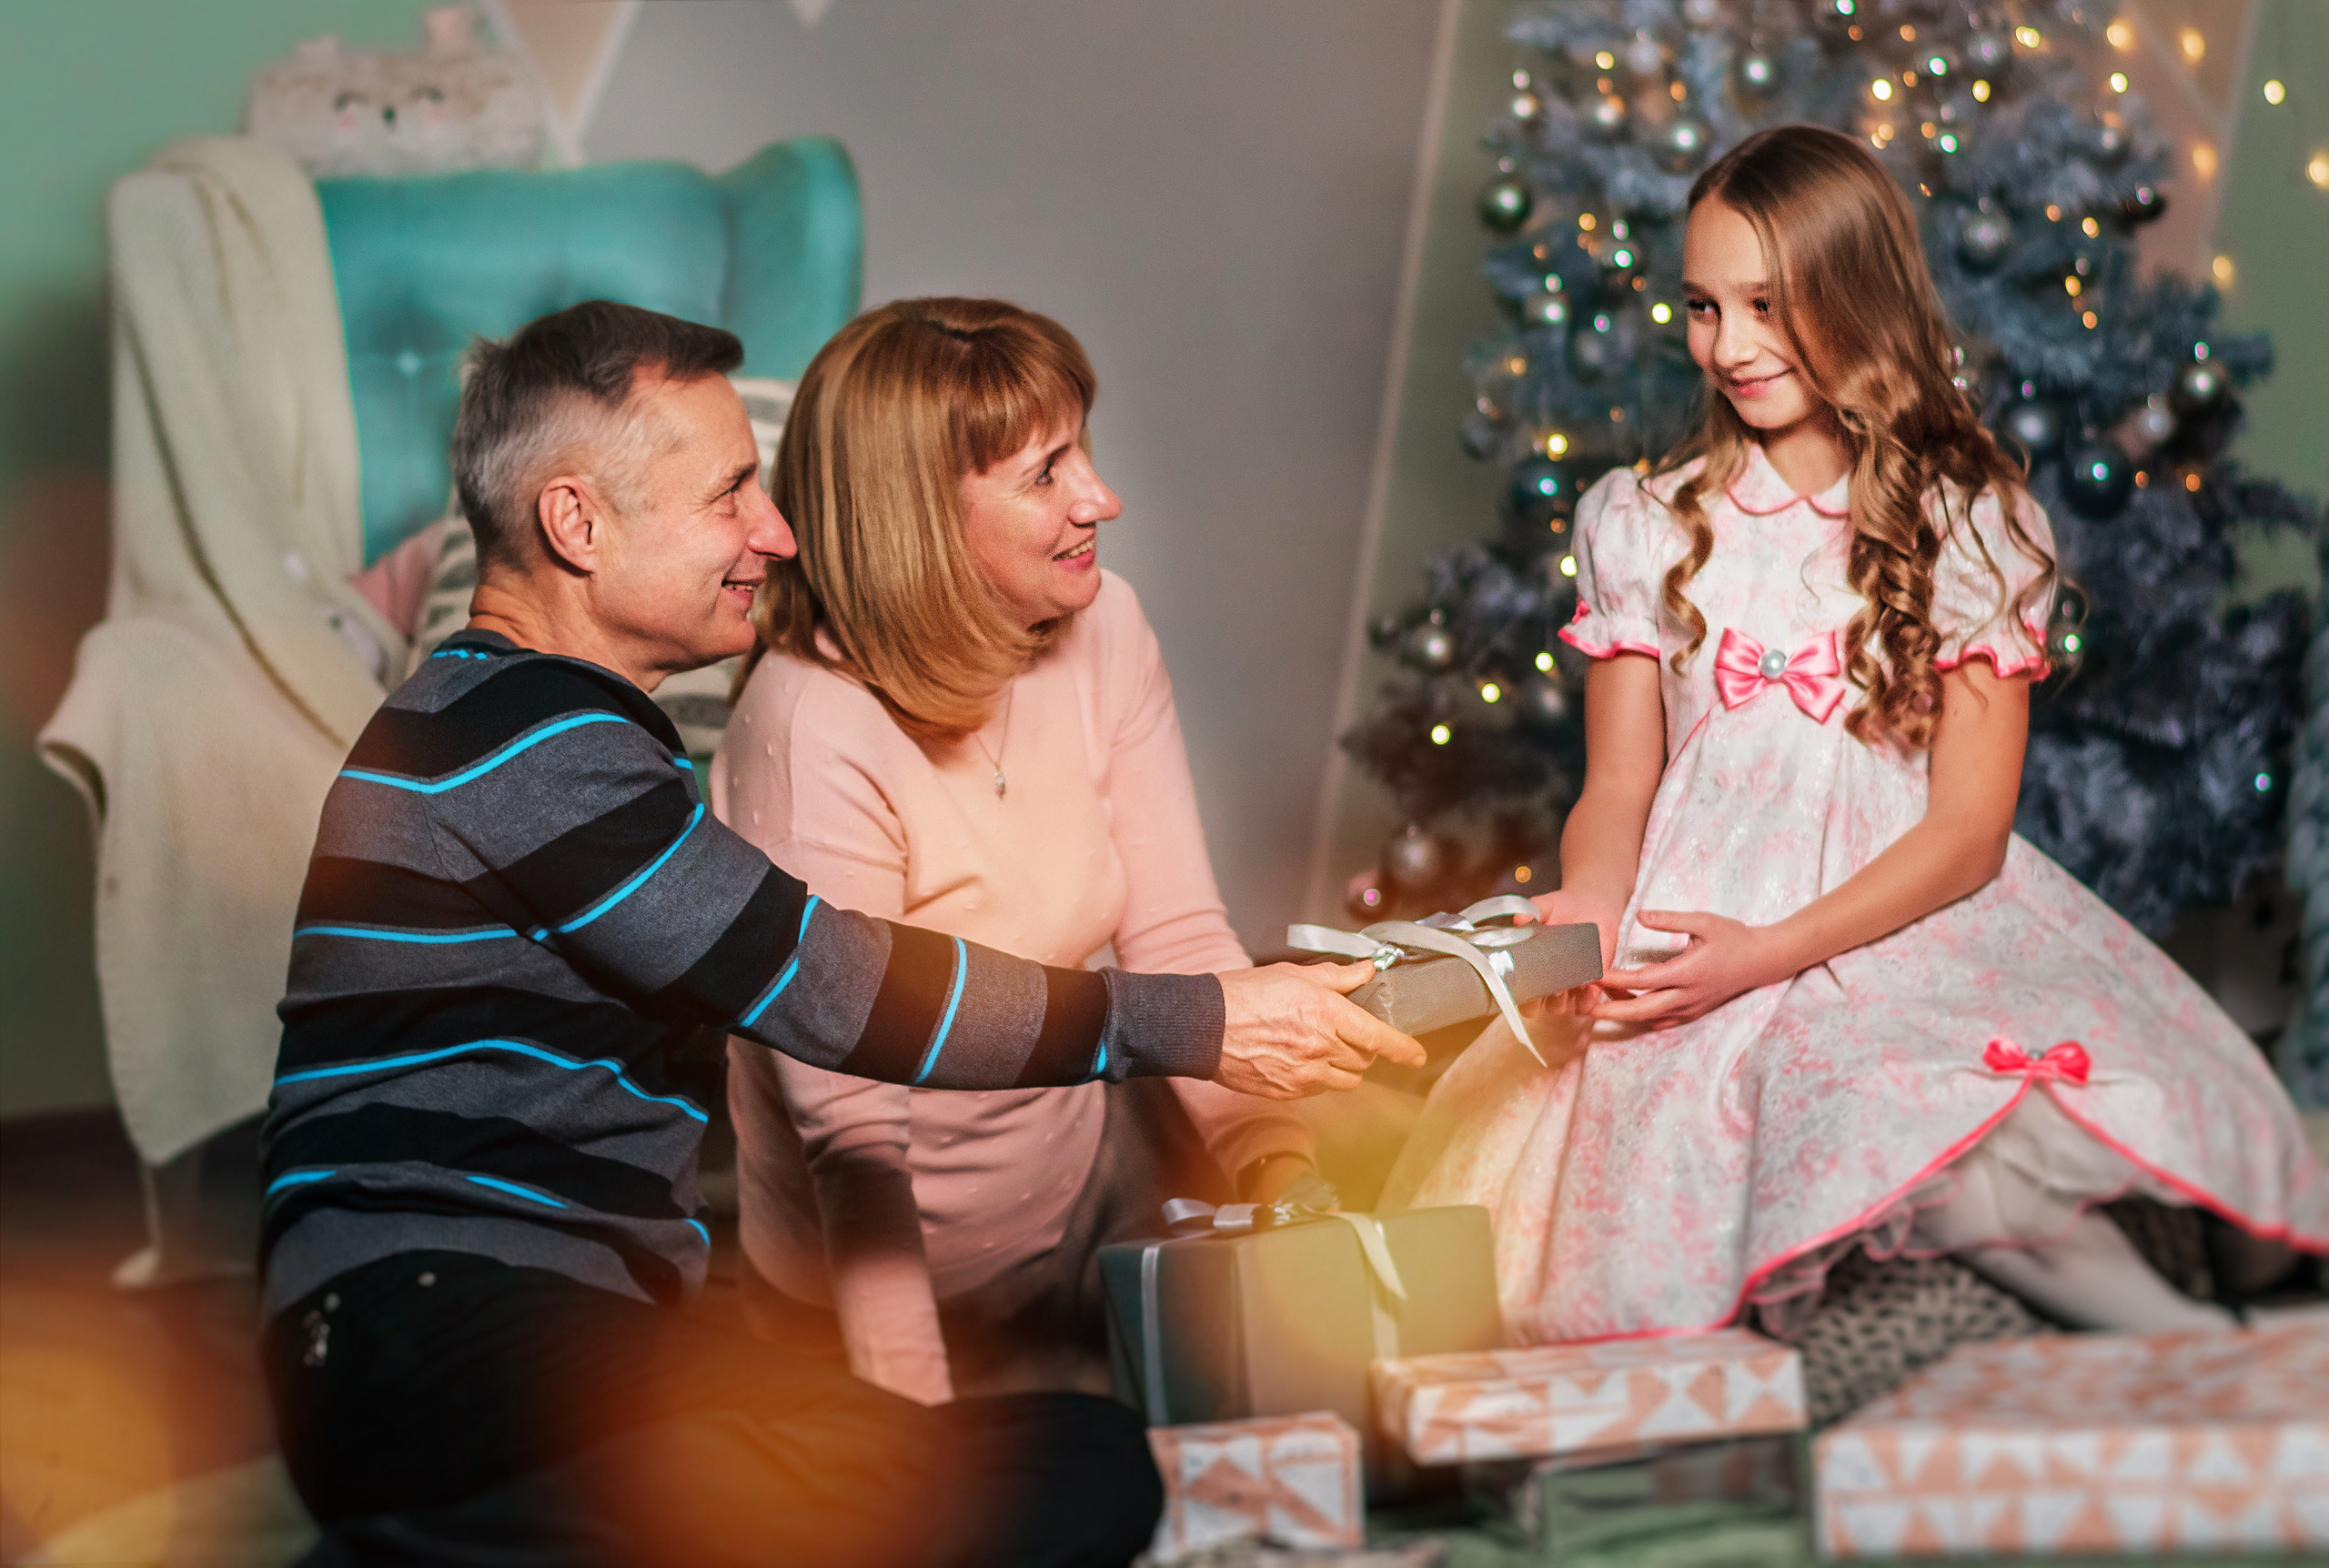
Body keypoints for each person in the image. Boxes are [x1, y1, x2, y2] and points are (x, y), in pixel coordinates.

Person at [257, 299, 1422, 1568]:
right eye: (730, 497)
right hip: (432, 1331)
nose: (775, 532)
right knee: (1009, 1483)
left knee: (1067, 1465)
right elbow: (833, 990)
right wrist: (1203, 1021)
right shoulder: (528, 743)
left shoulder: (531, 727)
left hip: (532, 1336)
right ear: (576, 524)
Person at [1382, 126, 2328, 1352]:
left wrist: (1771, 956)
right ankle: (2195, 1353)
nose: (1730, 346)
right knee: (1560, 1206)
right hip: (1691, 927)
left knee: (1944, 1129)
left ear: (1855, 295)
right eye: (1703, 307)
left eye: (1768, 306)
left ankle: (2203, 1355)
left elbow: (1970, 831)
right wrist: (1592, 911)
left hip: (1886, 919)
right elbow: (1617, 783)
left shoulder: (1970, 522)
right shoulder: (1642, 521)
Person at [713, 298, 1324, 1405]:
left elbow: (1180, 938)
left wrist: (1280, 1170)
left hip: (1084, 1205)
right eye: (1045, 473)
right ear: (917, 520)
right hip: (865, 1308)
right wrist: (918, 1429)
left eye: (1079, 449)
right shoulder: (809, 728)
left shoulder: (1105, 625)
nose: (1102, 497)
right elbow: (854, 1135)